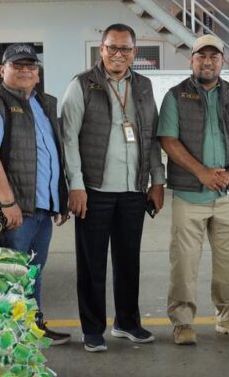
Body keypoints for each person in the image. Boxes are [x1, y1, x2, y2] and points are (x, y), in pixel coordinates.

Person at [61, 23, 165, 352]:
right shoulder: (82, 85)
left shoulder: (145, 86)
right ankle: (93, 329)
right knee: (92, 263)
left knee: (128, 260)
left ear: (135, 52)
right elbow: (69, 140)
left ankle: (127, 322)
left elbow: (150, 136)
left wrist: (157, 180)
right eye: (111, 48)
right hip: (94, 189)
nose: (118, 55)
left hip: (133, 189)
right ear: (101, 50)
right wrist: (76, 186)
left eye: (125, 49)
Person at [158, 34, 229, 346]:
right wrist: (201, 172)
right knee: (184, 262)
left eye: (213, 56)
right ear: (191, 60)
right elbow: (168, 139)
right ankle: (182, 322)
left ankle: (228, 317)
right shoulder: (176, 96)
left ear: (223, 61)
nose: (207, 61)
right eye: (201, 56)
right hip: (190, 194)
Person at [0, 43, 72, 346]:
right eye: (17, 65)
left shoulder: (43, 105)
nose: (25, 70)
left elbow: (51, 155)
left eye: (31, 66)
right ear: (2, 70)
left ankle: (32, 327)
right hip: (13, 212)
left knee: (33, 272)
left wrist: (59, 199)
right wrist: (8, 202)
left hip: (41, 209)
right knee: (10, 274)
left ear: (38, 74)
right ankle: (6, 335)